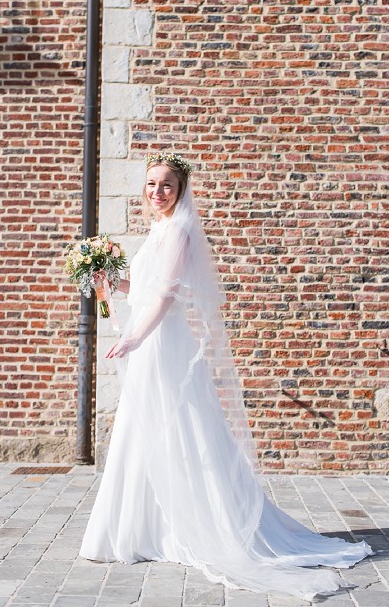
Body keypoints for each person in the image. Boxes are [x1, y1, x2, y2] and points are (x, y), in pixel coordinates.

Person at [80, 153, 371, 599]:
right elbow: (142, 289)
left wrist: (136, 337)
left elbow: (166, 298)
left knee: (178, 425)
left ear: (181, 190)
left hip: (162, 342)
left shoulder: (179, 230)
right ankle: (140, 528)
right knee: (144, 427)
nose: (157, 192)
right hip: (150, 340)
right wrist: (107, 280)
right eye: (152, 184)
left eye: (167, 185)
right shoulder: (159, 229)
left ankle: (190, 526)